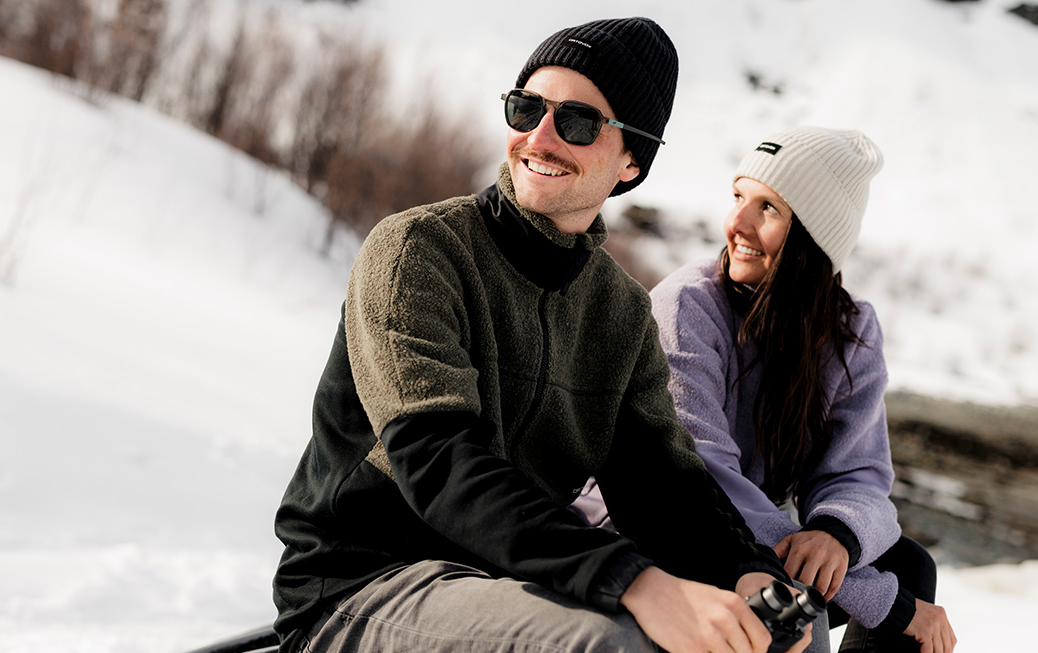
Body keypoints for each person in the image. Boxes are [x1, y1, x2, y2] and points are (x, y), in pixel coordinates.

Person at [272, 17, 814, 653]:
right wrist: (632, 580)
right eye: (526, 107)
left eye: (579, 122)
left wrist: (745, 571)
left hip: (507, 586)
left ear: (632, 161)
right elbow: (436, 459)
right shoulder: (417, 252)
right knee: (613, 643)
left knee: (787, 635)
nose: (539, 136)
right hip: (362, 587)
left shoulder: (619, 312)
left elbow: (662, 487)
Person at [576, 126, 957, 653]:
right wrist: (885, 602)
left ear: (814, 235)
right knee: (794, 598)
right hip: (648, 526)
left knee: (909, 565)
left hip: (747, 531)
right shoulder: (688, 306)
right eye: (738, 198)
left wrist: (836, 535)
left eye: (768, 209)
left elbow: (858, 473)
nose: (736, 223)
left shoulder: (850, 332)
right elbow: (698, 475)